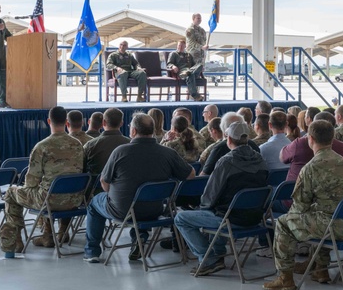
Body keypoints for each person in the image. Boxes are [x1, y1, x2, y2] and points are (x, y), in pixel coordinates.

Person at [263, 120, 343, 290]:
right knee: (321, 213)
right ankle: (321, 270)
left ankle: (285, 278)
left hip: (335, 228)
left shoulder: (311, 168)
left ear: (310, 139)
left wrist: (293, 219)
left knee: (282, 223)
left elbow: (299, 207)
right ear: (332, 138)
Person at [83, 113, 194, 263]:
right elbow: (191, 174)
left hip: (122, 210)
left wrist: (113, 193)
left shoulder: (120, 152)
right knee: (140, 198)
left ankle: (92, 252)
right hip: (154, 209)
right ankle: (140, 236)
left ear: (133, 131)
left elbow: (104, 181)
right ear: (153, 130)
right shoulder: (168, 153)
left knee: (94, 204)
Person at [173, 118, 269, 275]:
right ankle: (218, 251)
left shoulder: (226, 162)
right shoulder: (260, 159)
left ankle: (209, 258)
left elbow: (210, 196)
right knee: (221, 208)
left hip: (231, 219)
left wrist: (201, 208)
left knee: (182, 218)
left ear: (228, 139)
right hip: (256, 217)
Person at [0, 106, 85, 256]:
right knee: (60, 187)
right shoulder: (77, 144)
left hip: (49, 200)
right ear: (66, 122)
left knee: (12, 193)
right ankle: (59, 233)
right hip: (75, 200)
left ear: (48, 121)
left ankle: (16, 240)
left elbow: (31, 181)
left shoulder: (42, 146)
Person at [280, 113, 343, 181]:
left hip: (297, 198)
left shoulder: (299, 144)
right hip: (339, 200)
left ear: (311, 137)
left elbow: (282, 157)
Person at [83, 108, 130, 179]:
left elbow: (82, 169)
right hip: (123, 186)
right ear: (121, 123)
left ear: (103, 122)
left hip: (96, 188)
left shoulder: (90, 145)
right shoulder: (130, 143)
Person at [185, 14, 207, 100]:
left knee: (196, 76)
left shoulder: (202, 31)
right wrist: (202, 47)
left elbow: (204, 42)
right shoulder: (189, 30)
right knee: (191, 75)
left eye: (200, 18)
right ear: (193, 19)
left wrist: (204, 48)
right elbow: (191, 43)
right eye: (198, 18)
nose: (199, 20)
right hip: (192, 57)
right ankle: (192, 95)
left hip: (200, 57)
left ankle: (195, 95)